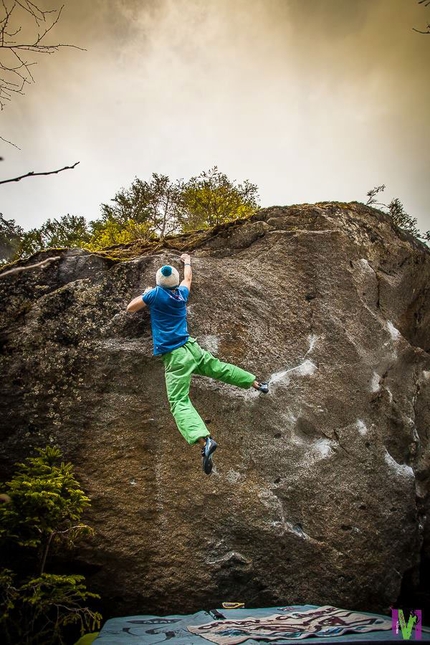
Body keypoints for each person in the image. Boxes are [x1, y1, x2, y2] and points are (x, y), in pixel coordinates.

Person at [126, 253, 269, 475]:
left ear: (158, 284)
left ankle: (205, 441)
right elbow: (188, 279)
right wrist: (187, 262)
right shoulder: (181, 294)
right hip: (192, 348)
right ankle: (257, 384)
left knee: (178, 401)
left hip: (175, 356)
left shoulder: (155, 295)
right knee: (220, 368)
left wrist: (145, 295)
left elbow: (131, 308)